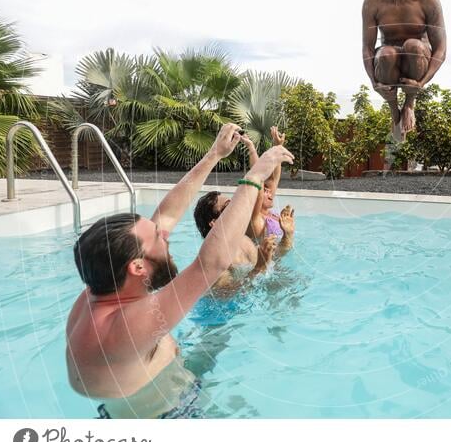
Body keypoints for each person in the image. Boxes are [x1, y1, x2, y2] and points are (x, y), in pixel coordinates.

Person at [65, 123, 294, 417]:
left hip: (162, 386)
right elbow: (209, 265)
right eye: (158, 238)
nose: (165, 234)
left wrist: (214, 154)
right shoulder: (123, 327)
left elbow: (167, 214)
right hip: (170, 416)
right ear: (137, 267)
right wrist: (253, 178)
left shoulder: (106, 284)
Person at [362, 0, 447, 141]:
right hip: (388, 64)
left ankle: (409, 103)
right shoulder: (373, 2)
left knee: (414, 46)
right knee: (386, 53)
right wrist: (374, 83)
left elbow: (441, 49)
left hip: (417, 60)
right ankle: (393, 109)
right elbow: (367, 48)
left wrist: (420, 85)